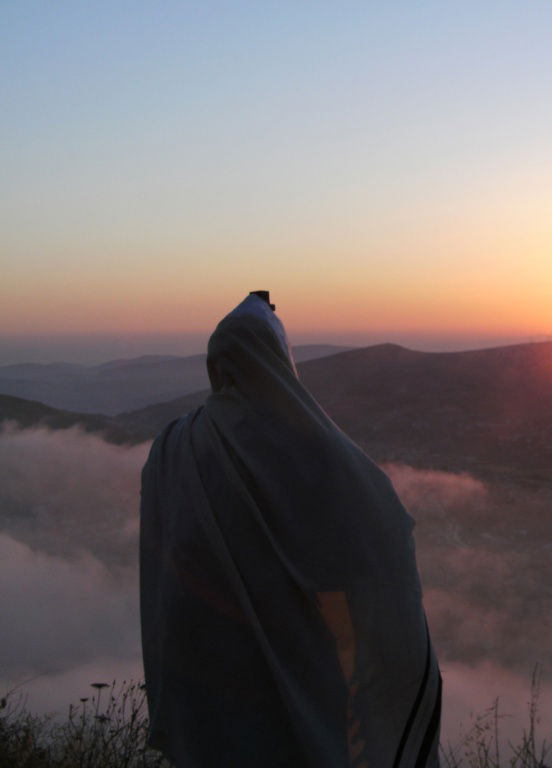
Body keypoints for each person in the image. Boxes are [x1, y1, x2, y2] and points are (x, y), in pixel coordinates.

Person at [139, 292, 440, 768]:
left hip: (200, 663)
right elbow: (384, 533)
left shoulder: (172, 444)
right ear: (279, 358)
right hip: (292, 658)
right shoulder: (315, 452)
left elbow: (162, 555)